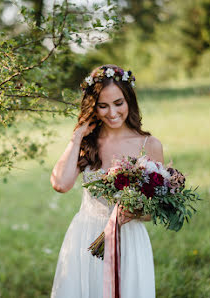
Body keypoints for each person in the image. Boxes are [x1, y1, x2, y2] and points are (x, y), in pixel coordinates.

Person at [50, 64, 163, 298]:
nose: (112, 113)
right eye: (103, 106)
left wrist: (135, 213)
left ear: (129, 100)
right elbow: (61, 184)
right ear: (93, 107)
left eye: (118, 103)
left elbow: (154, 211)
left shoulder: (149, 145)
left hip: (129, 240)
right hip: (86, 237)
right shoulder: (87, 143)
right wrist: (76, 138)